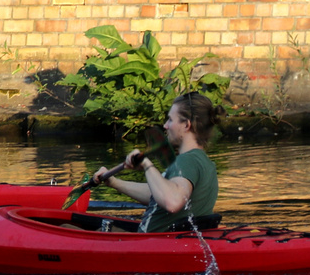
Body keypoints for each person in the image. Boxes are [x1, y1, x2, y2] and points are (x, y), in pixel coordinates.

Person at [95, 91, 221, 232]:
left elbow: (172, 201)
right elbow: (158, 195)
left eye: (171, 120)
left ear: (186, 125)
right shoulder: (205, 163)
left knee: (67, 227)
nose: (165, 126)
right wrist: (114, 182)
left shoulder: (186, 161)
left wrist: (147, 165)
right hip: (171, 242)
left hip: (149, 244)